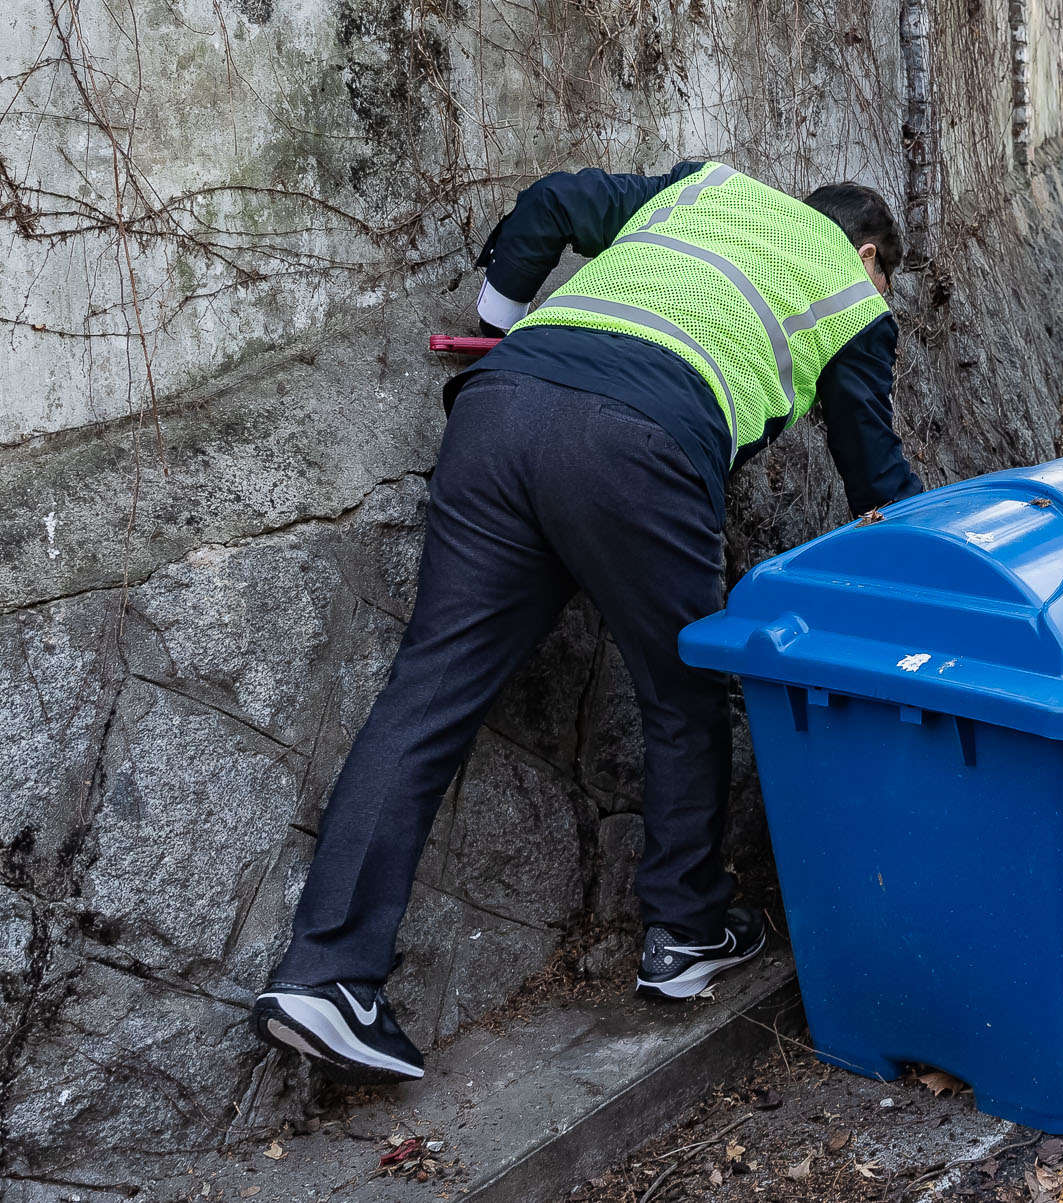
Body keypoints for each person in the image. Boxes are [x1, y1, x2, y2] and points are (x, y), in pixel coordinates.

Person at [251, 163, 923, 1082]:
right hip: (639, 443)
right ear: (871, 254)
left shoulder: (703, 188)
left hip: (496, 411)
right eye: (887, 280)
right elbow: (877, 486)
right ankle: (686, 929)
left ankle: (325, 972)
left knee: (426, 694)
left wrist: (495, 323)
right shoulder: (855, 295)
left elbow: (554, 202)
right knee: (685, 685)